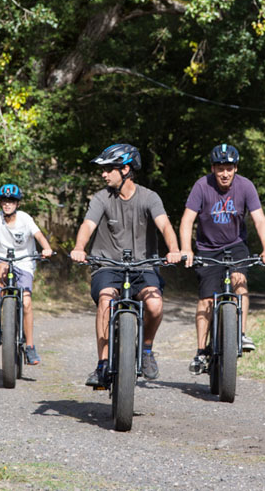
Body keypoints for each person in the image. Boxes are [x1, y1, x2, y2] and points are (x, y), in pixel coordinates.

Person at [70, 143, 181, 388]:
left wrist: (173, 250)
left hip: (143, 266)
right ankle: (102, 364)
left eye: (109, 169)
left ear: (126, 170)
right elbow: (88, 225)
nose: (103, 174)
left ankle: (147, 349)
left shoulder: (149, 197)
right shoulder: (101, 198)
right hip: (107, 264)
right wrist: (79, 247)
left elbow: (164, 225)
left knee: (154, 305)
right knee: (106, 300)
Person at [179, 143, 265, 374]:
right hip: (207, 248)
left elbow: (259, 220)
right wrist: (186, 249)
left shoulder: (246, 186)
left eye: (229, 168)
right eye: (220, 168)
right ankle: (201, 352)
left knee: (239, 284)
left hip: (236, 245)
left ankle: (240, 335)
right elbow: (186, 220)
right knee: (206, 300)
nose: (225, 173)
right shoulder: (202, 186)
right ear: (213, 168)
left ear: (236, 168)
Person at [0, 184, 53, 365]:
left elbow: (39, 236)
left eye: (11, 201)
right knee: (2, 270)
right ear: (0, 202)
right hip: (2, 258)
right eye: (4, 200)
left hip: (24, 261)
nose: (7, 204)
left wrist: (47, 248)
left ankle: (31, 347)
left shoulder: (25, 219)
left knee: (26, 302)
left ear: (17, 203)